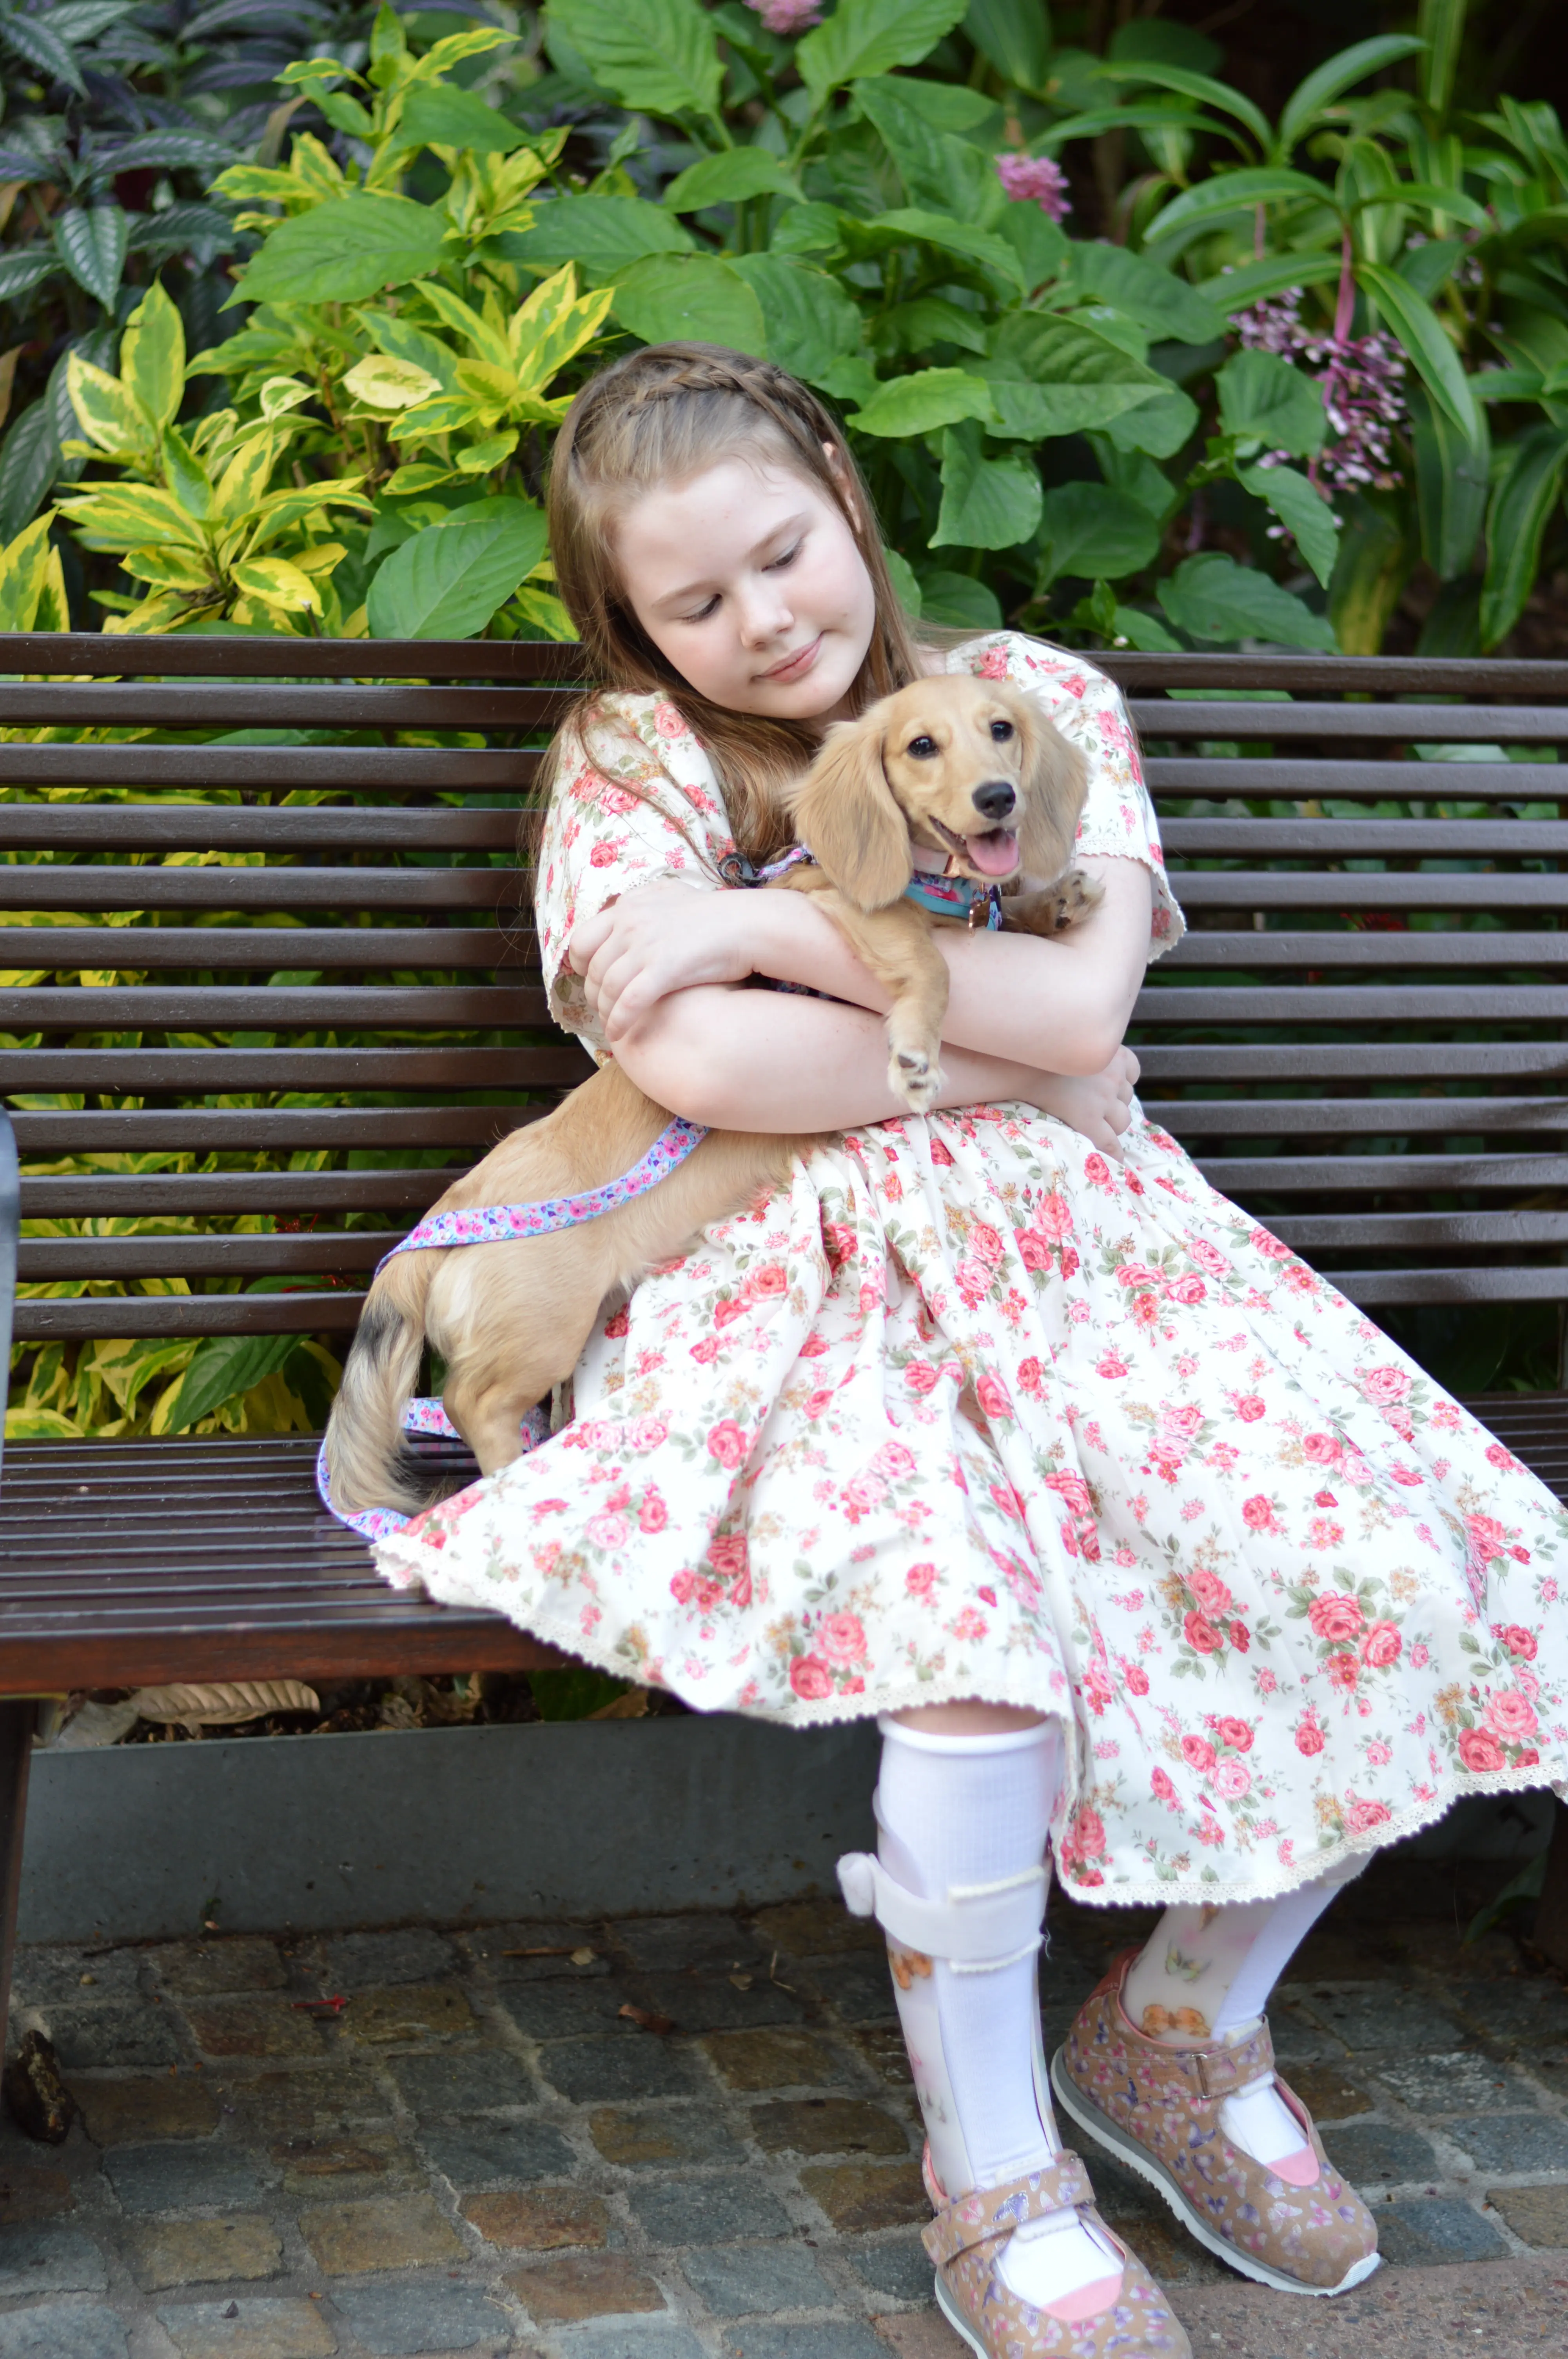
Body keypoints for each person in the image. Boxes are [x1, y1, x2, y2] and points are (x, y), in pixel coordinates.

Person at [376, 343, 1568, 2359]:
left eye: (783, 553)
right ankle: (992, 2165)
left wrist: (760, 929)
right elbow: (695, 1062)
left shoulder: (1039, 698)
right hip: (791, 1284)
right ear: (631, 628)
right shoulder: (634, 765)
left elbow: (1090, 1005)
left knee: (1415, 1558)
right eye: (696, 603)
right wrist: (966, 1033)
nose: (763, 620)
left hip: (1115, 1266)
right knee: (967, 1640)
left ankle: (1179, 2028)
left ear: (843, 492)